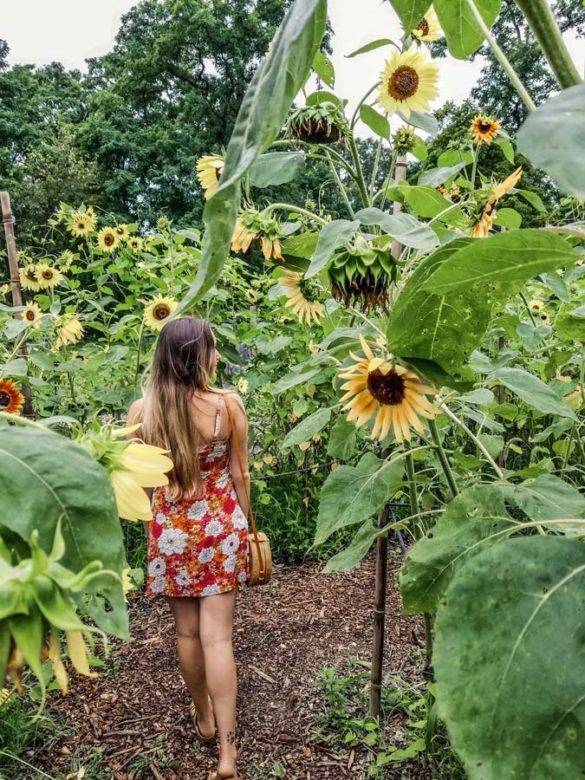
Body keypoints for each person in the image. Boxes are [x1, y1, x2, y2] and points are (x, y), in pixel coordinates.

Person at [127, 317, 249, 780]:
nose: (216, 357)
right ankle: (227, 755)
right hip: (219, 527)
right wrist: (247, 524)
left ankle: (203, 717)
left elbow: (140, 484)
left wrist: (150, 533)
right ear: (197, 355)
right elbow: (240, 476)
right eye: (212, 349)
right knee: (218, 637)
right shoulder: (226, 406)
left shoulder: (142, 412)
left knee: (187, 636)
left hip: (170, 531)